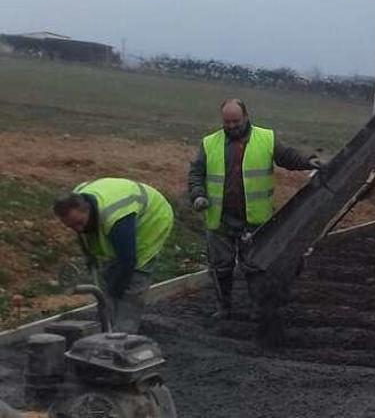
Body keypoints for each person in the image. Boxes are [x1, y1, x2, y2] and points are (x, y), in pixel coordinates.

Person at [188, 98, 321, 320]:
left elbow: (288, 157)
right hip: (219, 218)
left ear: (246, 117)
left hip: (256, 219)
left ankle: (258, 308)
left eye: (236, 121)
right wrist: (198, 195)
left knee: (256, 266)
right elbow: (196, 174)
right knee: (220, 266)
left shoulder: (266, 138)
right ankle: (224, 308)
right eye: (227, 122)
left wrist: (310, 161)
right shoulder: (209, 143)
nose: (231, 126)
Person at [54, 178, 174, 333]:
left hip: (151, 219)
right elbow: (83, 236)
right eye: (71, 226)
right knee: (110, 275)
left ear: (86, 209)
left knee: (133, 282)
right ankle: (110, 324)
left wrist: (114, 290)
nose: (78, 229)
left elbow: (128, 260)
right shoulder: (78, 201)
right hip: (122, 212)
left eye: (80, 223)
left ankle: (124, 335)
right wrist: (90, 257)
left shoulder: (116, 217)